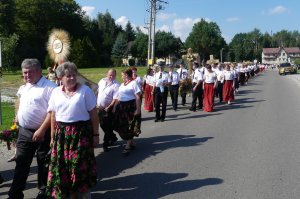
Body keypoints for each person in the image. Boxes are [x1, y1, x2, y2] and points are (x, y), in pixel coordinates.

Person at [47, 62, 99, 199]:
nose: (71, 78)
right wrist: (52, 137)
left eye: (73, 75)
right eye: (68, 76)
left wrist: (95, 134)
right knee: (63, 167)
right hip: (62, 135)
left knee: (78, 166)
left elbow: (94, 114)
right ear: (60, 78)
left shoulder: (85, 91)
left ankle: (83, 194)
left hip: (81, 134)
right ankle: (70, 194)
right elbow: (53, 116)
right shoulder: (55, 92)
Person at [8, 59, 57, 199]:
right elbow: (21, 104)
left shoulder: (50, 88)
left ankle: (44, 191)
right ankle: (15, 194)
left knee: (44, 163)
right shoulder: (25, 87)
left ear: (39, 71)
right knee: (21, 162)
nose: (27, 75)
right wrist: (17, 117)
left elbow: (52, 112)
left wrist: (42, 129)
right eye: (24, 72)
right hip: (25, 131)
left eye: (30, 72)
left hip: (44, 132)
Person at [113, 68, 142, 156]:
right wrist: (115, 106)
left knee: (130, 125)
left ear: (126, 75)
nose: (121, 76)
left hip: (130, 107)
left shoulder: (134, 83)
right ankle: (131, 142)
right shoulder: (122, 84)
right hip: (121, 107)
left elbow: (137, 97)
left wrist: (138, 109)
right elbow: (118, 96)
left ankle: (128, 145)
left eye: (122, 75)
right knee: (121, 125)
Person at [97, 69, 119, 152]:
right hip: (99, 108)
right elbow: (97, 91)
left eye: (113, 75)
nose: (111, 77)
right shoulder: (101, 81)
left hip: (108, 109)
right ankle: (113, 137)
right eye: (110, 75)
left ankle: (105, 143)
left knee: (108, 126)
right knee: (102, 125)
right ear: (106, 74)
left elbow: (115, 99)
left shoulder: (116, 85)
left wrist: (109, 107)